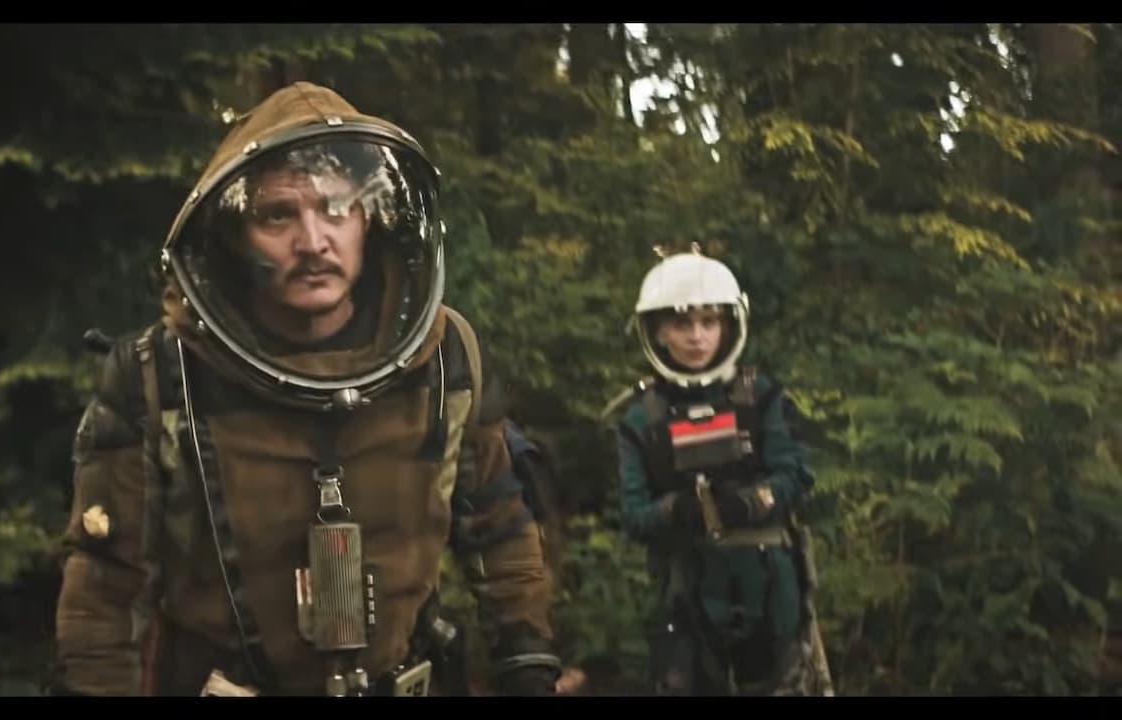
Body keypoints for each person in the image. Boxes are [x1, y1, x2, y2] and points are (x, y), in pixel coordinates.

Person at [49, 81, 561, 697]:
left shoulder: (446, 357)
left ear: (368, 220)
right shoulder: (161, 376)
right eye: (277, 215)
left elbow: (500, 530)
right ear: (236, 236)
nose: (313, 241)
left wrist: (527, 662)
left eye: (336, 207)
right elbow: (105, 593)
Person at [609, 244, 831, 696]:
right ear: (657, 331)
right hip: (687, 590)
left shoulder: (762, 398)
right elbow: (633, 514)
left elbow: (796, 475)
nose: (697, 336)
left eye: (709, 322)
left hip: (769, 584)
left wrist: (750, 502)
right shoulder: (641, 418)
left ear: (728, 325)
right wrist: (677, 511)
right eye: (682, 324)